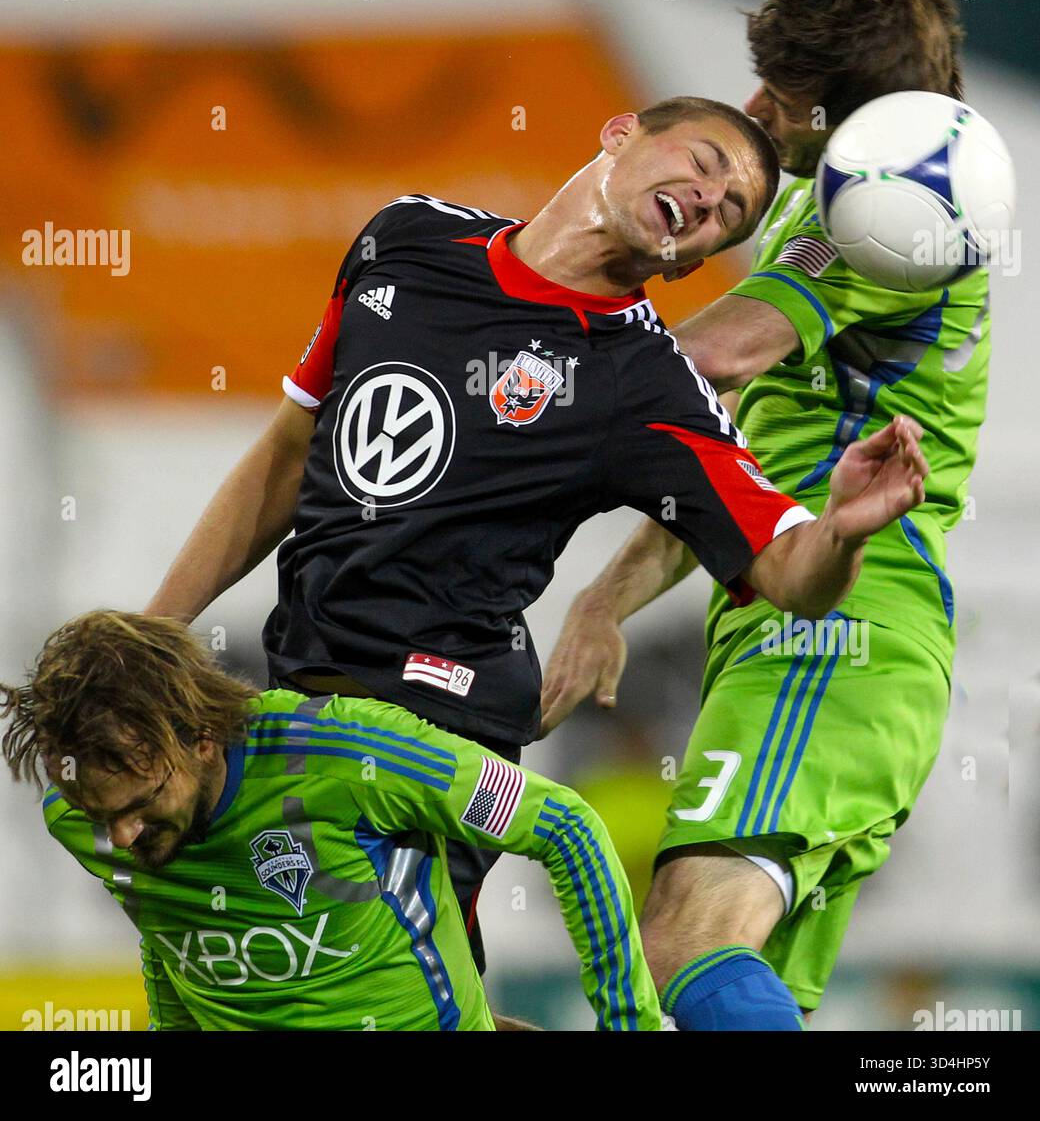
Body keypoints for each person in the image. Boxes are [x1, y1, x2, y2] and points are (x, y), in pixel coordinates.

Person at [143, 90, 927, 973]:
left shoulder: (647, 385)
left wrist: (846, 529)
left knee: (346, 992)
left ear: (691, 263)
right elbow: (290, 450)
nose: (709, 201)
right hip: (295, 699)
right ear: (621, 133)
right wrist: (152, 634)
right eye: (703, 166)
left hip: (434, 722)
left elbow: (790, 573)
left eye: (731, 212)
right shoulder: (405, 236)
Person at [540, 0, 981, 1030]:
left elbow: (706, 359)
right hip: (805, 627)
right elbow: (718, 465)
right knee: (674, 993)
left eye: (783, 96)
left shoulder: (888, 219)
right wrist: (602, 599)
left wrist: (507, 355)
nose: (756, 107)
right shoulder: (823, 210)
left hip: (834, 631)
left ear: (857, 119)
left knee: (682, 942)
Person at [0, 609, 662, 1031]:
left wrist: (632, 1022)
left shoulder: (349, 755)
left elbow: (566, 827)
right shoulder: (78, 814)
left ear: (202, 737)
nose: (119, 838)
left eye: (142, 805)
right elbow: (171, 931)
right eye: (102, 814)